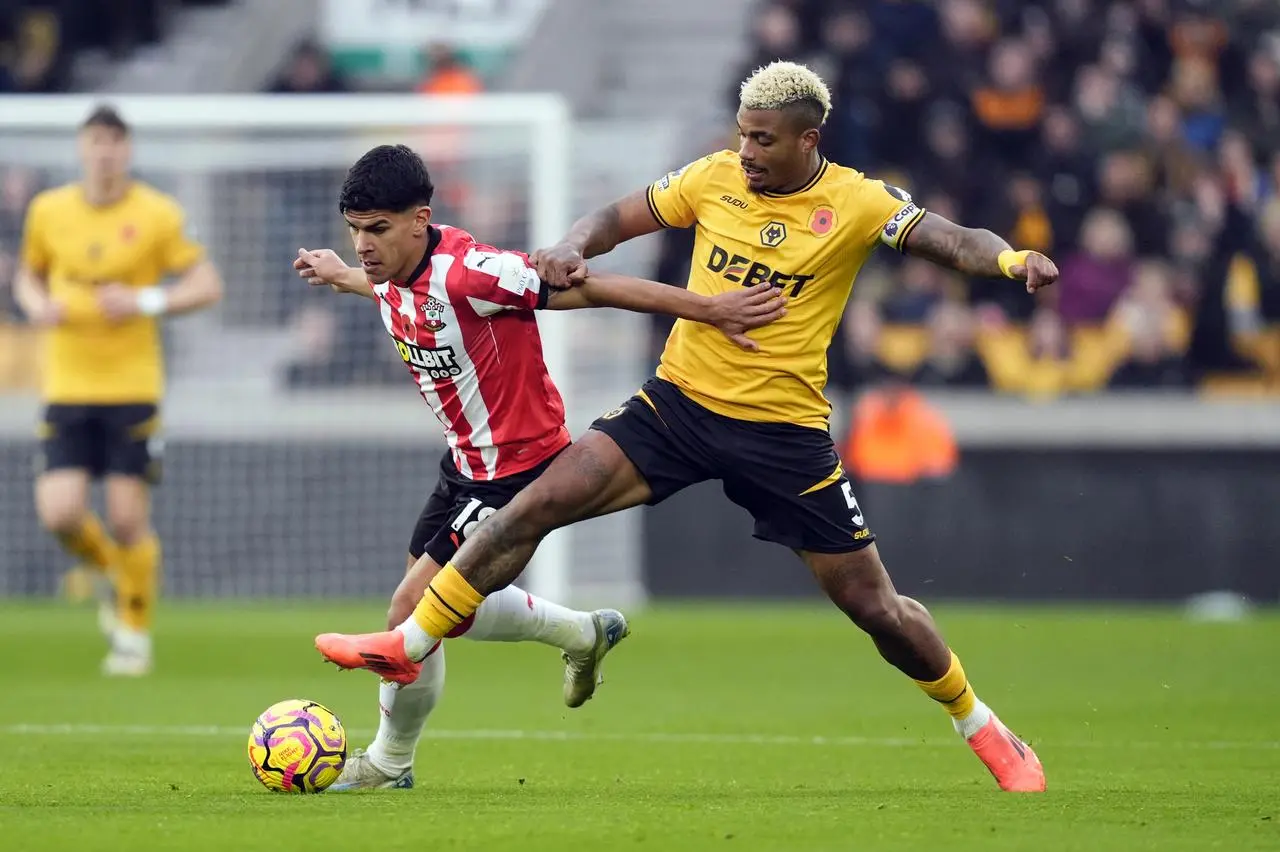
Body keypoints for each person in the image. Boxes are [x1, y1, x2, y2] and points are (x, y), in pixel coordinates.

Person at [315, 62, 1059, 793]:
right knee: (530, 508)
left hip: (782, 433)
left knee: (878, 610)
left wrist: (1012, 258)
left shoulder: (857, 202)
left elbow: (955, 239)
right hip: (675, 406)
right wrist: (575, 244)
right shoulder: (712, 178)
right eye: (742, 134)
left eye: (763, 140)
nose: (747, 152)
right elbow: (615, 218)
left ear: (809, 139)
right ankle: (406, 645)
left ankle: (983, 726)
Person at [295, 143, 785, 790]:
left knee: (411, 613)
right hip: (465, 466)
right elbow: (391, 291)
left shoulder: (476, 272)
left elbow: (595, 289)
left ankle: (389, 764)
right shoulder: (390, 270)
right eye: (355, 230)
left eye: (377, 229)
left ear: (420, 219)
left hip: (520, 469)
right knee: (453, 613)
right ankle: (581, 633)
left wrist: (710, 308)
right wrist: (340, 274)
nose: (363, 244)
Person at [15, 105, 224, 676]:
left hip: (132, 386)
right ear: (82, 149)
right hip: (66, 382)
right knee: (60, 513)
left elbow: (207, 284)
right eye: (95, 141)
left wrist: (144, 300)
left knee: (128, 517)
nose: (104, 152)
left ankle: (133, 633)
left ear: (126, 150)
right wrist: (36, 305)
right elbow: (27, 273)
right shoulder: (48, 210)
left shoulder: (157, 214)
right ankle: (113, 571)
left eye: (114, 141)